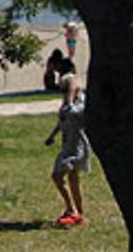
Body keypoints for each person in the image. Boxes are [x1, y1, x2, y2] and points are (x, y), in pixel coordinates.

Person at [45, 73, 91, 227]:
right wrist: (52, 135)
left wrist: (70, 96)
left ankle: (72, 210)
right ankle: (79, 214)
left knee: (57, 176)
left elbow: (70, 113)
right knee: (73, 180)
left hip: (77, 147)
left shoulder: (81, 104)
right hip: (67, 144)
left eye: (66, 89)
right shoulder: (68, 103)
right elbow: (61, 120)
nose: (63, 93)